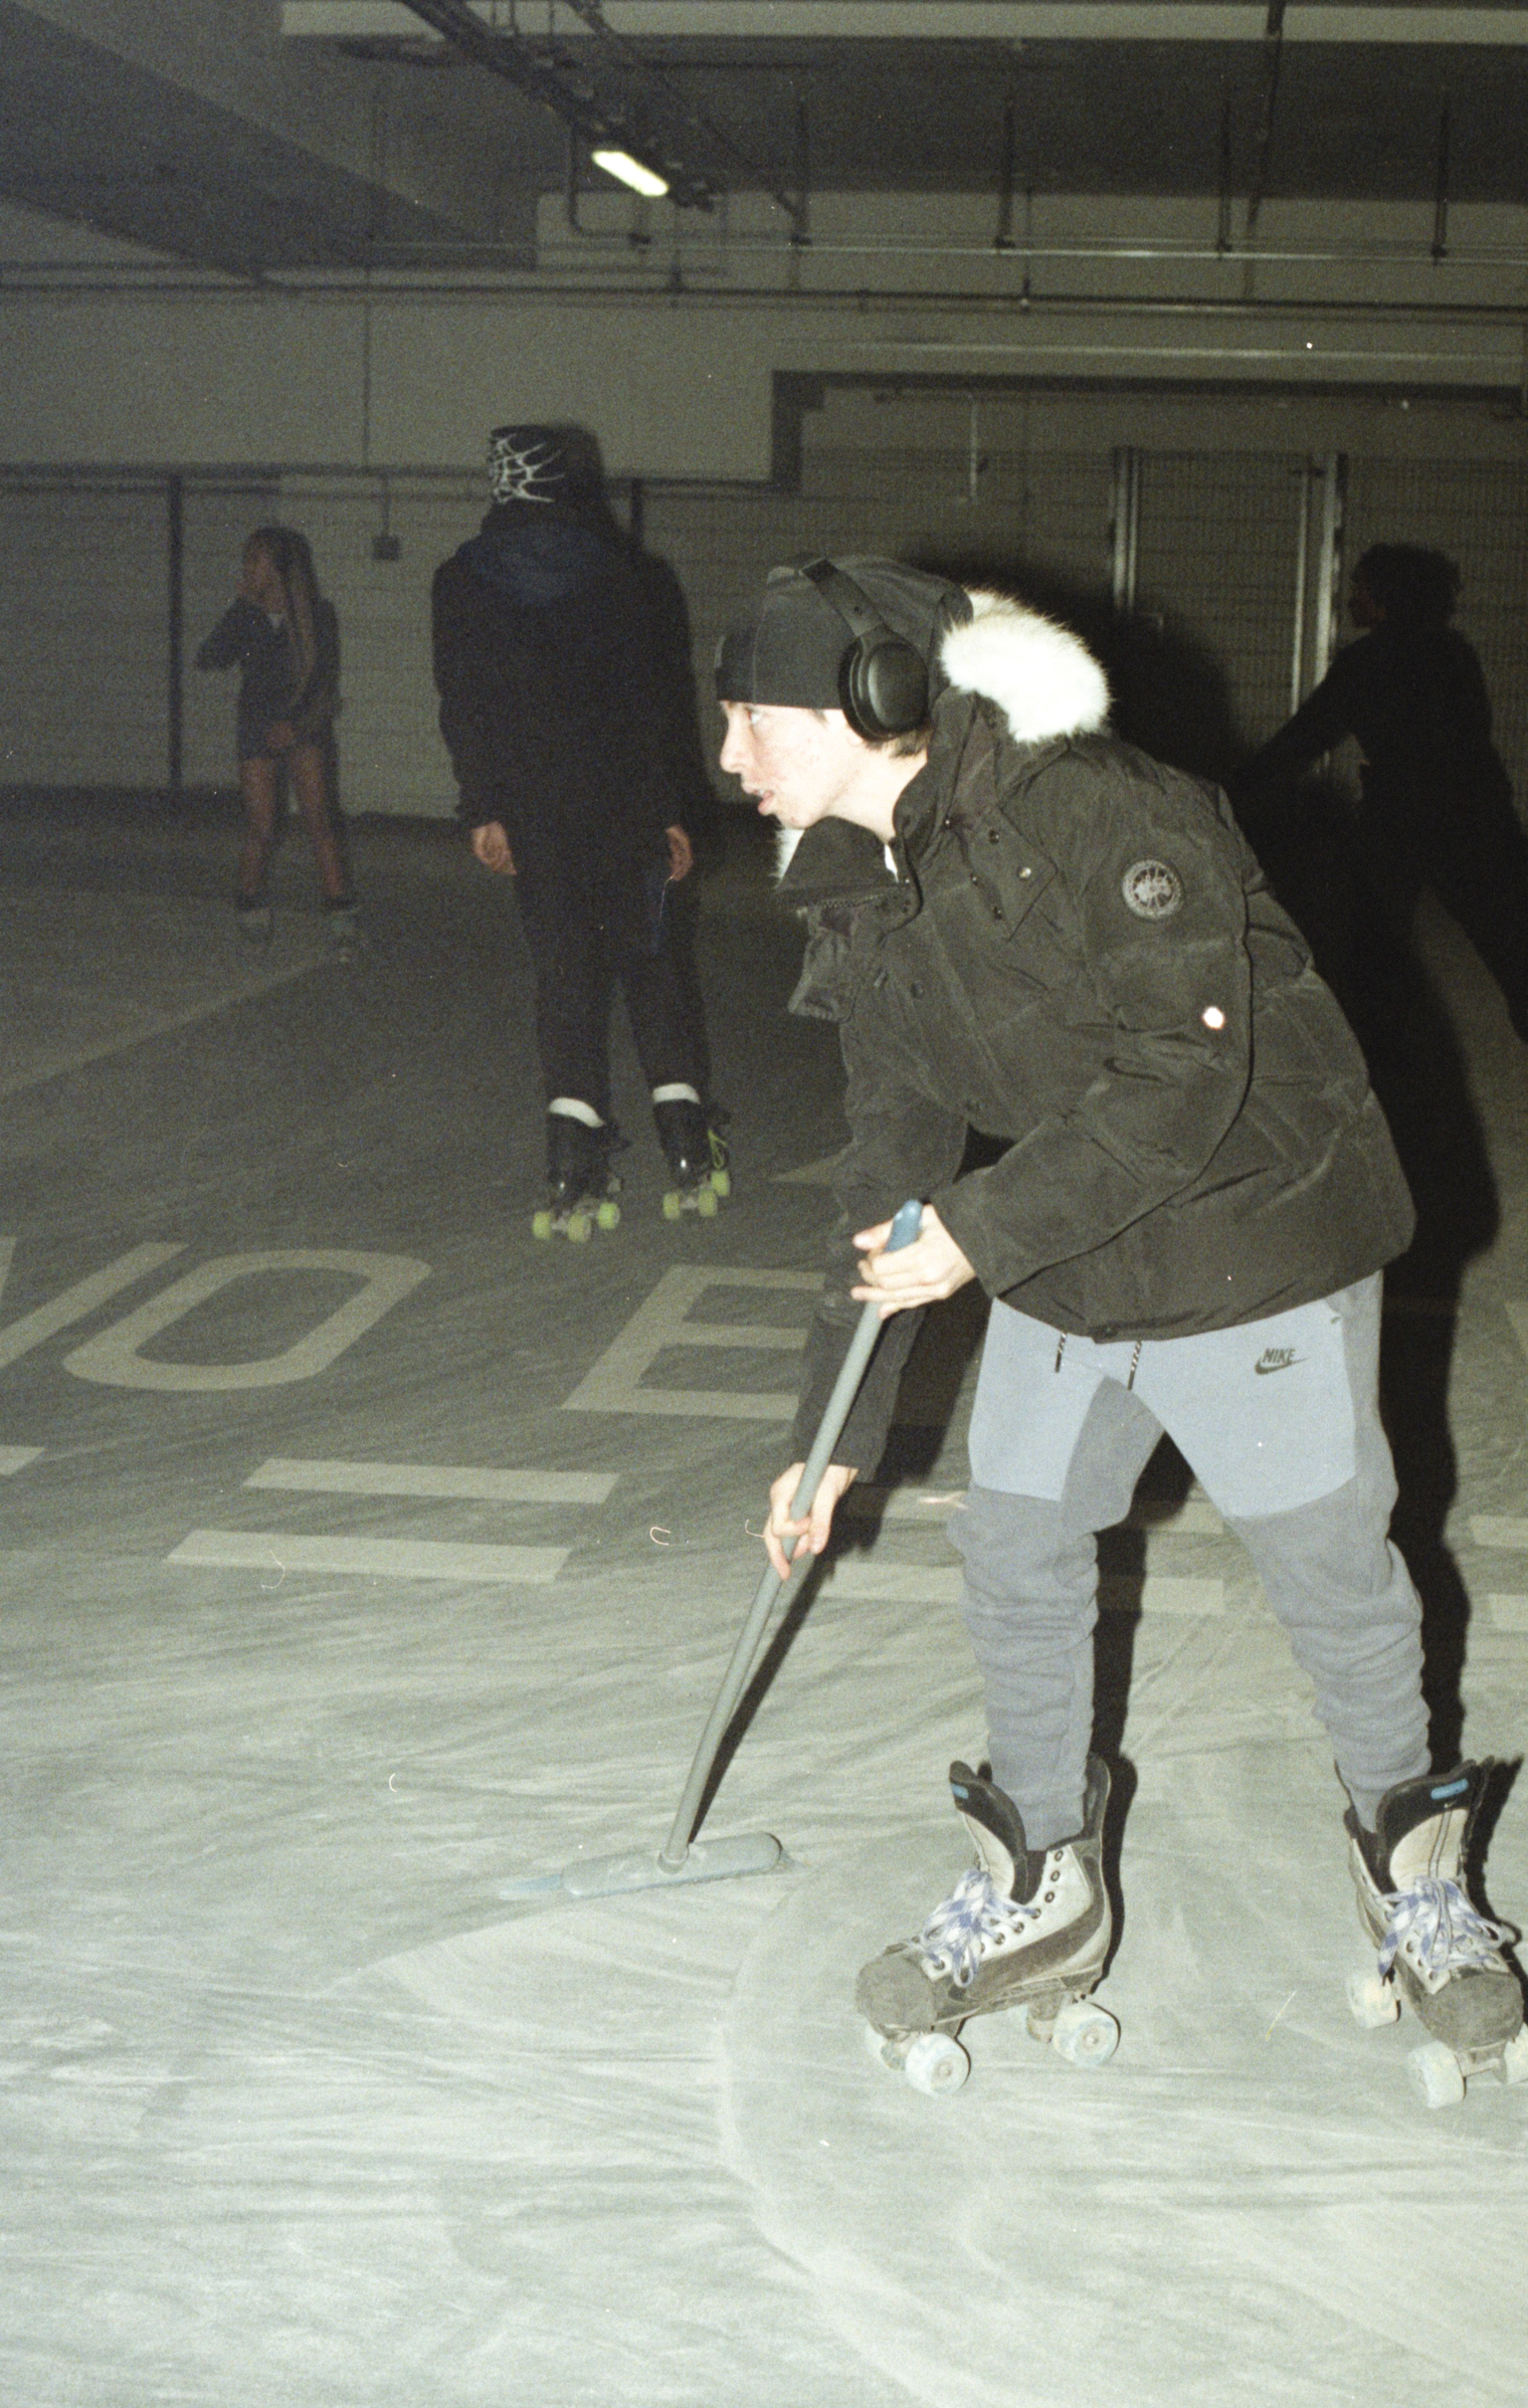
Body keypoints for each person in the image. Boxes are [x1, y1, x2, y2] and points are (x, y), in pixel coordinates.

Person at [714, 554, 1525, 2101]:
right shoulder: (854, 874)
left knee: (1330, 1567)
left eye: (757, 718)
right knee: (1016, 1541)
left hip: (1253, 1234)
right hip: (1076, 1250)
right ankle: (1044, 1874)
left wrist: (979, 1231)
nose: (732, 757)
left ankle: (1413, 1870)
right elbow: (890, 1170)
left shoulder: (1106, 812)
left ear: (874, 706)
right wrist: (828, 1440)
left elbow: (1180, 1081)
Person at [432, 424, 724, 1234]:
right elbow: (655, 704)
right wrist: (670, 809)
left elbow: (465, 706)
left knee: (564, 975)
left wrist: (483, 807)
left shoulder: (462, 581)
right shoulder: (634, 576)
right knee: (653, 964)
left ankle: (573, 1168)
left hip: (537, 813)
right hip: (626, 805)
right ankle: (689, 1148)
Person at [1239, 542, 1528, 1041]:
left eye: (1359, 587)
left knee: (1372, 941)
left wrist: (1234, 786)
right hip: (1479, 812)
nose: (1352, 596)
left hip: (1402, 817)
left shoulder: (1367, 661)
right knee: (1510, 938)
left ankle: (1373, 1048)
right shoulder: (1454, 652)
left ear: (1383, 595)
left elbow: (1306, 737)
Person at [195, 526, 355, 950]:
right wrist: (237, 608)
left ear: (281, 568)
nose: (247, 567)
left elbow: (326, 681)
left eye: (256, 559)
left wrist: (298, 724)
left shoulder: (318, 615)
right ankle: (249, 902)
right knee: (263, 825)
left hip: (304, 727)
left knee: (319, 821)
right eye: (247, 559)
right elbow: (208, 659)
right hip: (256, 728)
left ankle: (342, 918)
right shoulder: (245, 615)